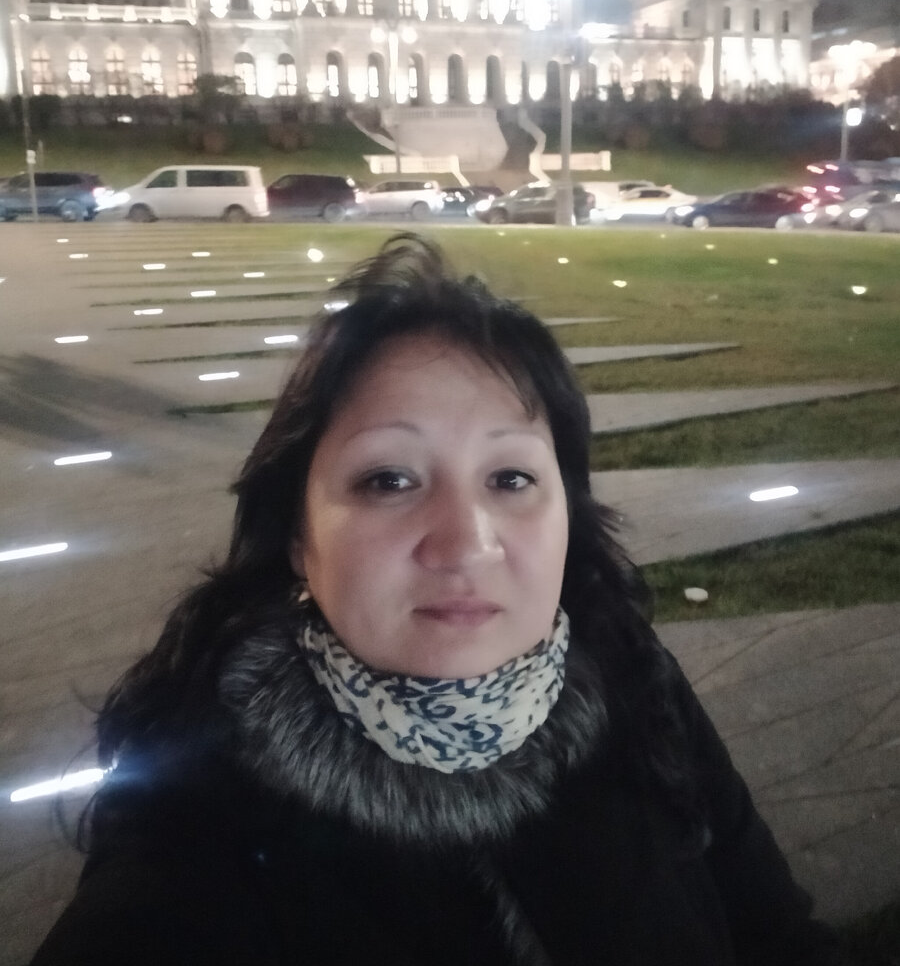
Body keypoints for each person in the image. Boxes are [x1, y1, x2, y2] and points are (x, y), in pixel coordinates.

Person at [32, 233, 839, 966]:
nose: (464, 543)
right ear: (297, 537)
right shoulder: (194, 837)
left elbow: (778, 935)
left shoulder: (633, 679)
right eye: (389, 479)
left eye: (511, 478)